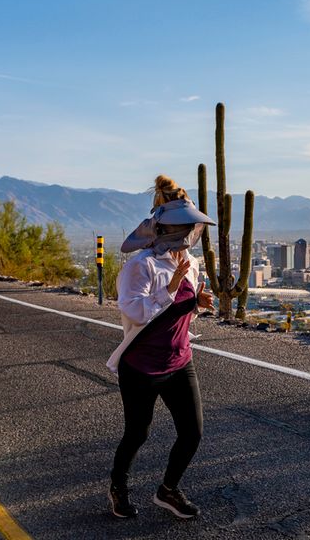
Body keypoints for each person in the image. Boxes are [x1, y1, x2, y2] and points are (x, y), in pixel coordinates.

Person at [106, 175, 216, 520]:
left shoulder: (191, 265)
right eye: (185, 230)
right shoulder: (141, 266)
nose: (189, 238)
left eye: (192, 230)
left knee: (192, 432)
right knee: (137, 434)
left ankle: (168, 490)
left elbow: (182, 317)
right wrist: (170, 286)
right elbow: (135, 312)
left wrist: (198, 303)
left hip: (180, 360)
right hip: (141, 367)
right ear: (168, 230)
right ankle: (118, 487)